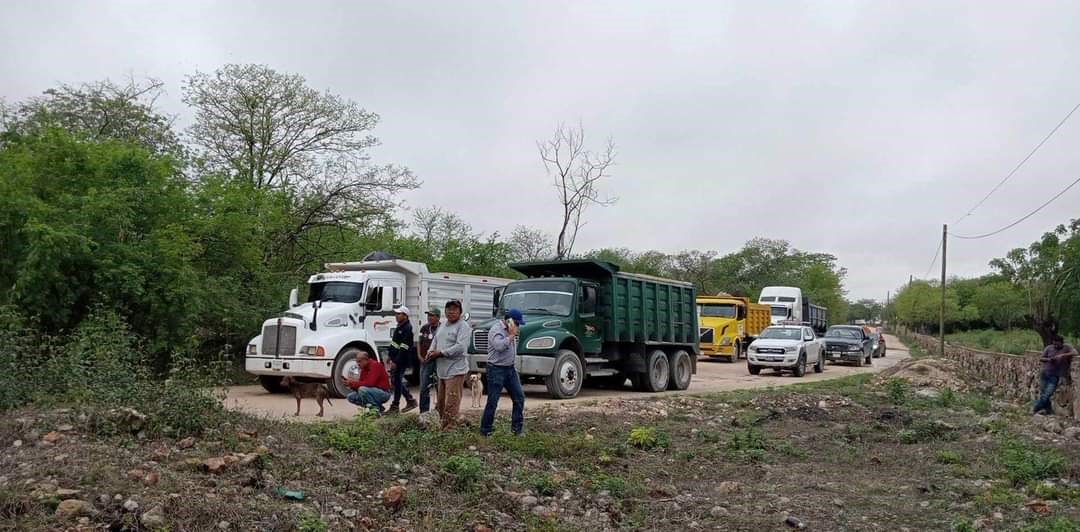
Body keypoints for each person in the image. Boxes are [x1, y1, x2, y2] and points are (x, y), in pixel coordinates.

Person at [425, 299, 472, 430]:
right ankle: (448, 425)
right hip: (442, 371)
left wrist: (441, 353)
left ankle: (449, 431)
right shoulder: (443, 325)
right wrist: (430, 351)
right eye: (449, 309)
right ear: (445, 311)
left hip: (455, 370)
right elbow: (435, 340)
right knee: (441, 403)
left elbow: (461, 347)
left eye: (455, 310)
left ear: (460, 312)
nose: (451, 312)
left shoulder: (463, 326)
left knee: (451, 403)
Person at [480, 308, 527, 437]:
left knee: (519, 398)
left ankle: (517, 429)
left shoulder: (511, 330)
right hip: (496, 369)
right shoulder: (496, 330)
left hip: (510, 369)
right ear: (509, 321)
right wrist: (511, 335)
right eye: (516, 323)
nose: (517, 326)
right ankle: (485, 430)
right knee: (493, 401)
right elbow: (499, 346)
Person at [1033, 335, 1077, 415]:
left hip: (1054, 376)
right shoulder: (1049, 348)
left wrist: (1062, 355)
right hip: (1045, 373)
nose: (1055, 346)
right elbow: (1041, 358)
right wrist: (1049, 359)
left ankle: (1035, 408)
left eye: (1057, 344)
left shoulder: (1067, 347)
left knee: (1047, 394)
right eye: (1054, 344)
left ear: (1062, 343)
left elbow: (1075, 352)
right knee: (1044, 394)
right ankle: (1048, 410)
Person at [387, 306, 418, 414]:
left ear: (405, 316)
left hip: (402, 360)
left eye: (399, 314)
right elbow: (394, 344)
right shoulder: (399, 327)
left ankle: (396, 405)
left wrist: (396, 361)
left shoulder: (407, 329)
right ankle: (409, 400)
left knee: (397, 381)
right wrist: (390, 356)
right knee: (396, 381)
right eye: (396, 314)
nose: (396, 316)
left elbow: (404, 348)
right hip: (396, 359)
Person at [342, 351, 391, 416]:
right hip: (373, 392)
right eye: (357, 362)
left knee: (363, 389)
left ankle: (375, 411)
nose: (358, 364)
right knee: (350, 397)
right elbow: (361, 385)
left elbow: (370, 383)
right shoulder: (364, 369)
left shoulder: (375, 365)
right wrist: (350, 385)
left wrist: (352, 383)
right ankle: (378, 408)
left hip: (384, 393)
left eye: (360, 361)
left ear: (366, 360)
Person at [417, 307, 441, 413]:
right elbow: (419, 342)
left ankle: (440, 409)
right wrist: (419, 356)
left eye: (432, 315)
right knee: (424, 387)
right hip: (425, 361)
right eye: (428, 315)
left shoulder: (443, 328)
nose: (429, 317)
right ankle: (424, 412)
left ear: (438, 317)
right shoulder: (424, 328)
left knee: (439, 387)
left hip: (438, 361)